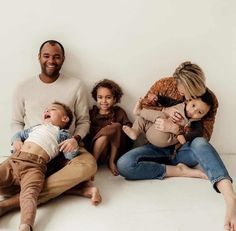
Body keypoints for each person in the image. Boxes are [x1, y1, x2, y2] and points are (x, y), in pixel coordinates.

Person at [117, 61, 236, 231]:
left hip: (183, 150)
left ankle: (230, 197)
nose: (188, 98)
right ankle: (177, 171)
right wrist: (165, 111)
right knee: (124, 164)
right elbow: (144, 108)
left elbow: (204, 134)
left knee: (201, 143)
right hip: (155, 147)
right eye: (185, 92)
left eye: (193, 93)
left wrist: (176, 129)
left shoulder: (208, 99)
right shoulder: (164, 85)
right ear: (177, 83)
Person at [0, 40, 101, 220]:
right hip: (31, 153)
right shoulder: (23, 87)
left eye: (56, 57)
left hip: (65, 146)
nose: (51, 61)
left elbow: (84, 122)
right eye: (46, 56)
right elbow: (16, 122)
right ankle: (76, 188)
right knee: (5, 181)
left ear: (63, 59)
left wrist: (74, 139)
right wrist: (17, 141)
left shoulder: (76, 85)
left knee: (88, 165)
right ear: (39, 57)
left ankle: (8, 205)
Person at [1, 102, 78, 231]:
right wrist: (16, 140)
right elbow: (18, 134)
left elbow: (69, 155)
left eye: (52, 109)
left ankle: (26, 225)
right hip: (13, 161)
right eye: (46, 110)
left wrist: (73, 144)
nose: (46, 111)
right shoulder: (36, 127)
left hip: (35, 167)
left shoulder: (62, 134)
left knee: (29, 195)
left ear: (64, 119)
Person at [123, 90, 214, 147]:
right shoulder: (180, 104)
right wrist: (157, 98)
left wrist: (181, 135)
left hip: (164, 138)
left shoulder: (195, 122)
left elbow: (197, 133)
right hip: (152, 130)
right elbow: (168, 101)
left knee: (162, 117)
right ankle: (134, 132)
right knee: (142, 119)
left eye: (199, 112)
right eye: (193, 106)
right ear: (188, 100)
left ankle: (139, 111)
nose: (193, 111)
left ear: (203, 116)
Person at [84, 79, 133, 175]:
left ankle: (112, 161)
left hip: (116, 150)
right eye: (100, 97)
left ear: (115, 99)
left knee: (116, 126)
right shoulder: (92, 113)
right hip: (98, 150)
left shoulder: (119, 112)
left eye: (108, 97)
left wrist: (115, 130)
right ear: (96, 98)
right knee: (105, 134)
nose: (104, 101)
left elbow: (128, 130)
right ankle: (92, 164)